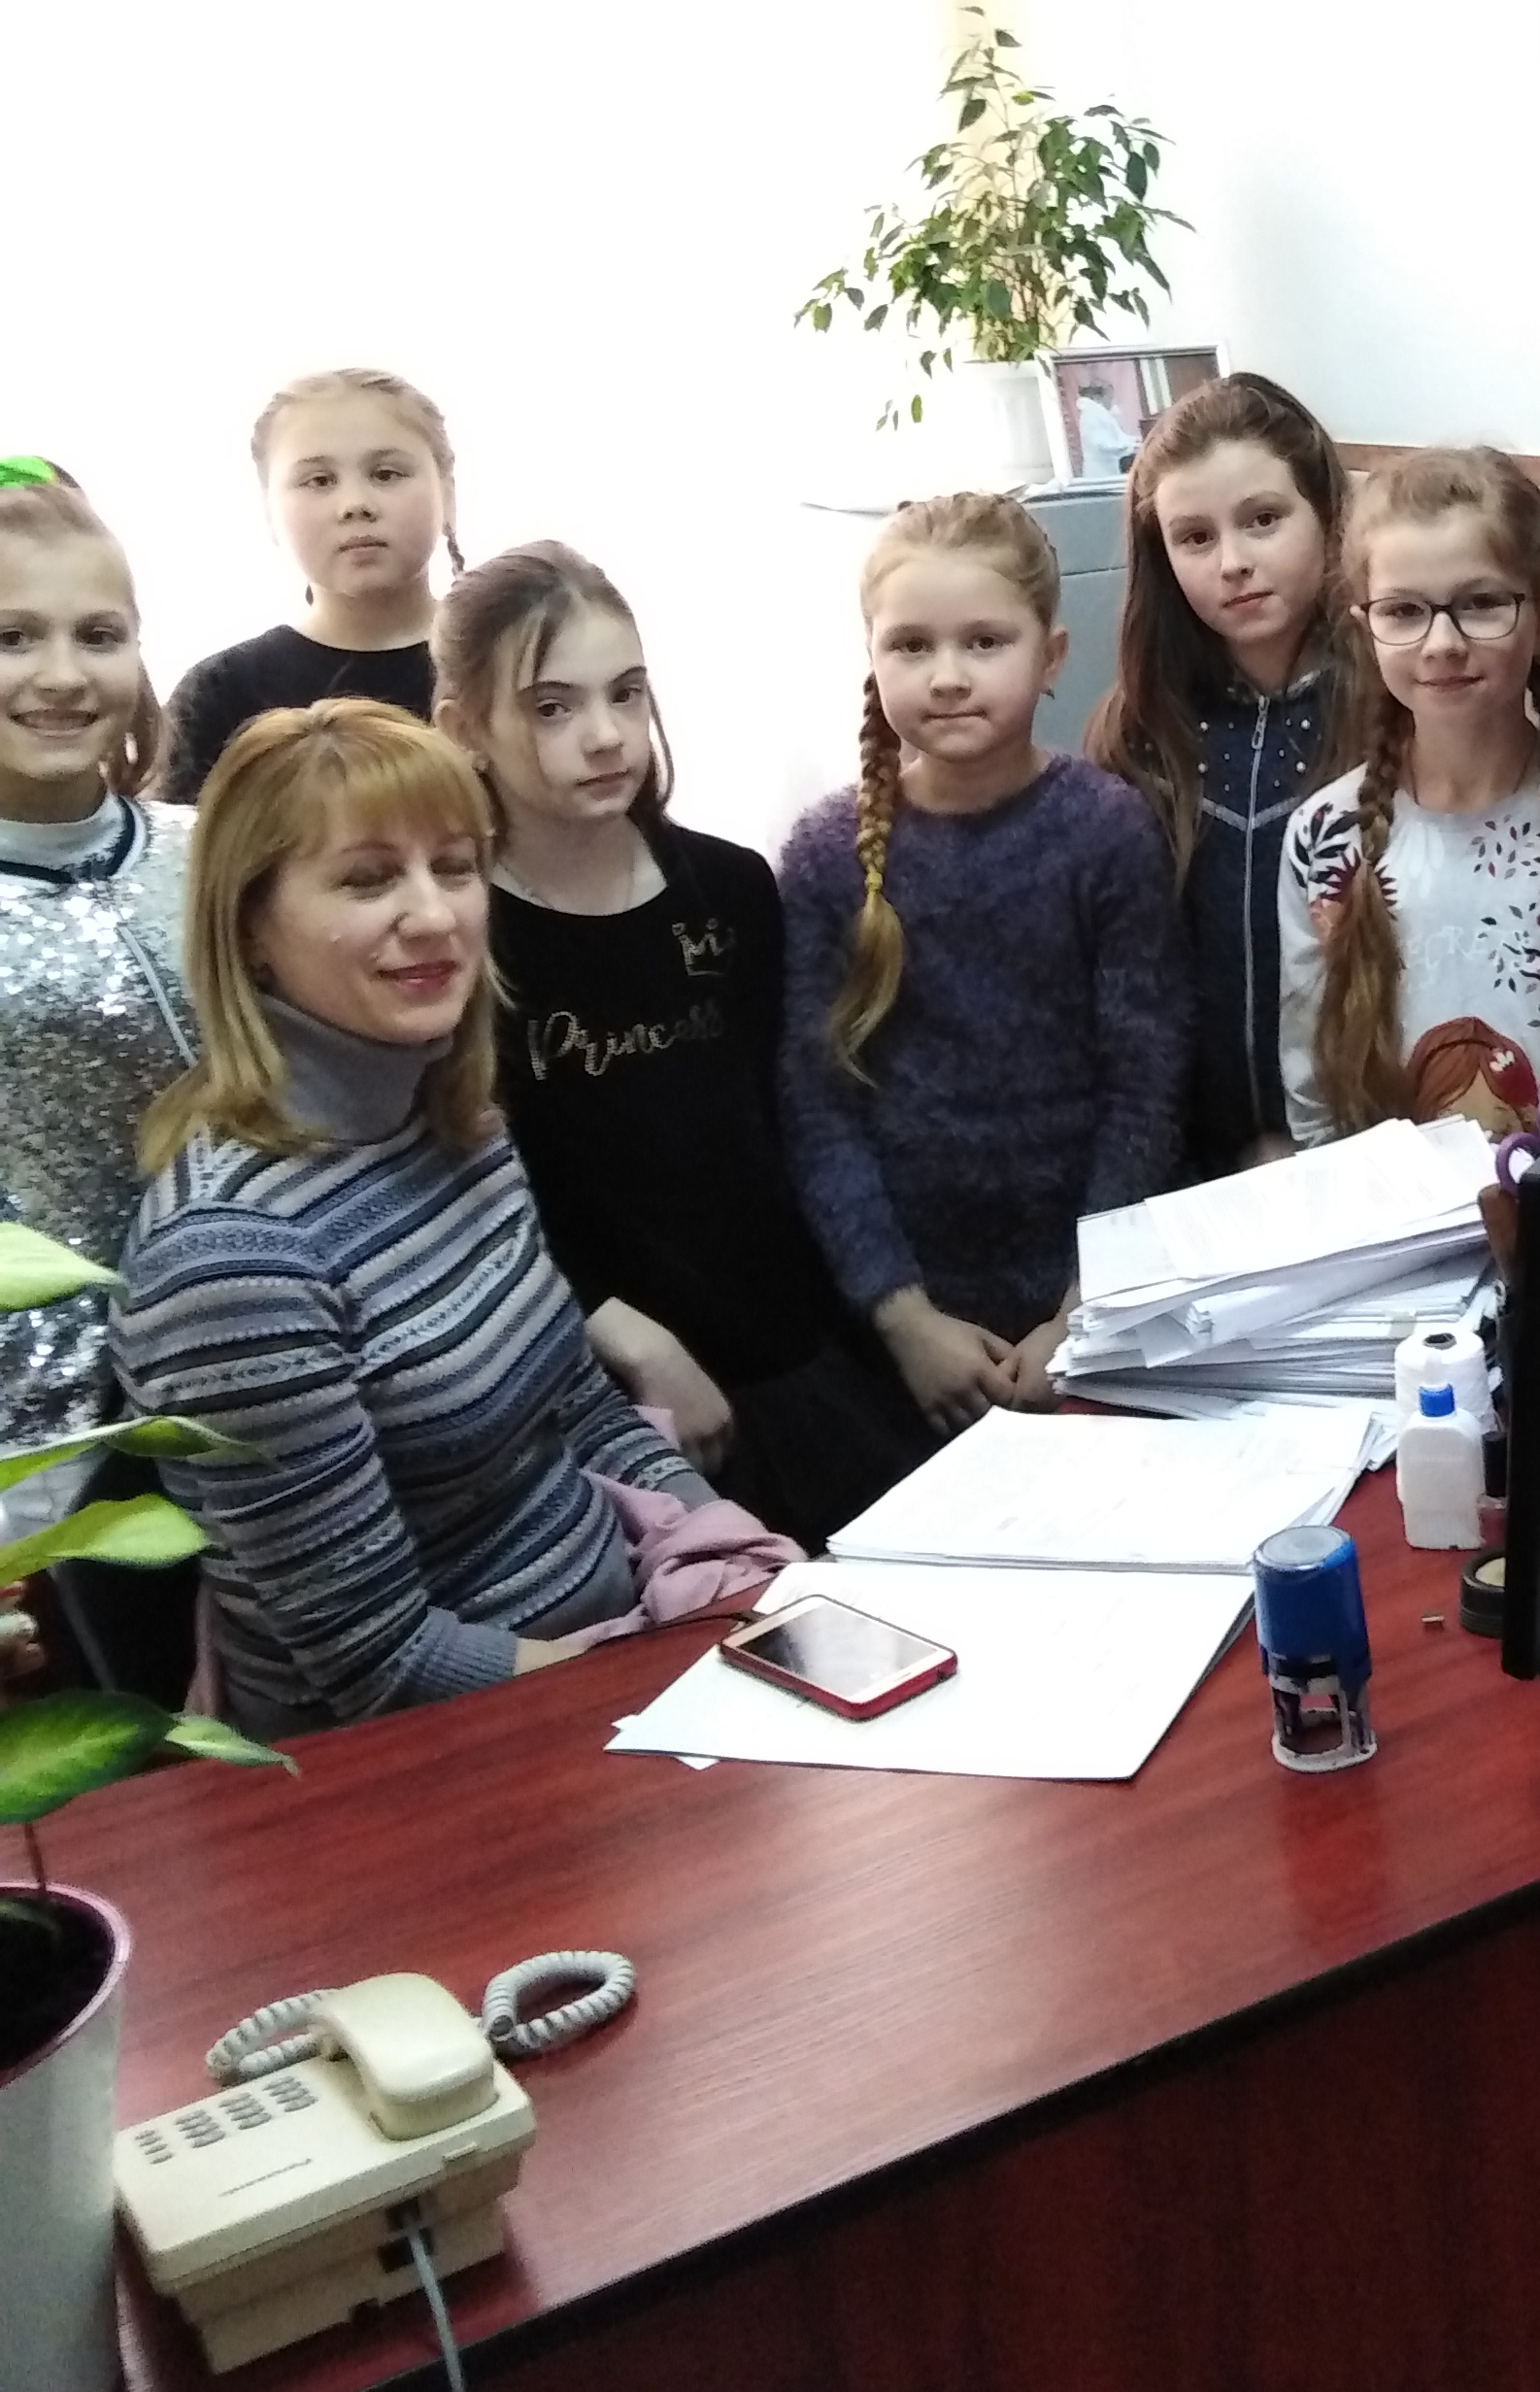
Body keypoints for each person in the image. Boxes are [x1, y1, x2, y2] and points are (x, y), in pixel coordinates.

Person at [112, 702, 717, 1739]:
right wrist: (651, 1683)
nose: (434, 916)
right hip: (444, 1751)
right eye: (367, 879)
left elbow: (580, 1406)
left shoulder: (455, 1122)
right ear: (250, 927)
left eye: (456, 866)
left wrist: (718, 1552)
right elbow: (379, 1663)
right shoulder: (229, 1259)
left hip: (614, 1644)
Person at [434, 542, 933, 1555]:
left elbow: (796, 1131)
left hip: (799, 1360)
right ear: (463, 728)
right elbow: (469, 1195)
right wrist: (611, 1324)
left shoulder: (731, 888)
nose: (605, 735)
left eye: (626, 693)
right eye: (552, 707)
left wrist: (890, 1317)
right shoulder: (455, 938)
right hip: (606, 1406)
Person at [777, 489, 1189, 1427]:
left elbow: (1145, 1086)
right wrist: (902, 1317)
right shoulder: (824, 853)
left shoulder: (1106, 830)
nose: (948, 676)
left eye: (985, 642)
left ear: (1052, 656)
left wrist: (1085, 1307)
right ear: (871, 657)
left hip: (1094, 1306)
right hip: (911, 1330)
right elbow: (818, 1108)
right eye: (911, 646)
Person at [1278, 445, 1540, 1146]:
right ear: (1364, 627)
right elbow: (1313, 1101)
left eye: (1481, 604)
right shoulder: (1323, 838)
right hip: (1387, 1214)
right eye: (1403, 611)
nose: (1442, 642)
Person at [1082, 375, 1368, 1168]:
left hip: (1366, 1149)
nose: (1234, 562)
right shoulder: (1137, 732)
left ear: (1327, 514)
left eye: (1264, 520)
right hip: (1187, 1159)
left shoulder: (1399, 706)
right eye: (1195, 537)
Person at [0, 469, 193, 1533]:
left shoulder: (207, 851)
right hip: (34, 1452)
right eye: (14, 637)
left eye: (100, 635)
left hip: (246, 1374)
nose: (63, 675)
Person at [159, 367, 462, 799]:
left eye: (386, 474)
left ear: (447, 492)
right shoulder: (222, 693)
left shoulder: (502, 664)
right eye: (319, 481)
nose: (355, 504)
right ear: (269, 511)